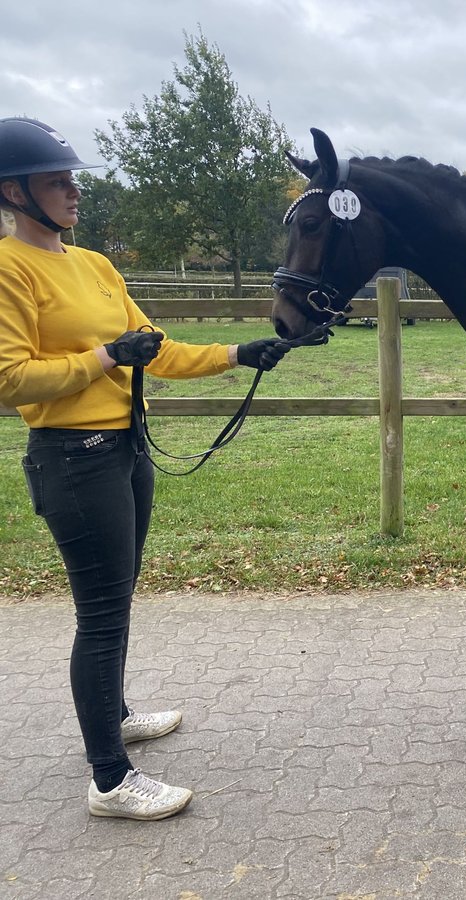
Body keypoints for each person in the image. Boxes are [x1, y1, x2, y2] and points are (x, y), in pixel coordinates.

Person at [0, 116, 291, 821]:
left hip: (127, 452)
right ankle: (109, 780)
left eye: (73, 178)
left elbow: (153, 348)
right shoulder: (9, 269)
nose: (74, 189)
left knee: (118, 599)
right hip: (74, 461)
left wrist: (238, 354)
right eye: (56, 180)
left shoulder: (95, 264)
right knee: (100, 617)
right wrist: (102, 360)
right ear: (14, 192)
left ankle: (114, 712)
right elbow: (10, 380)